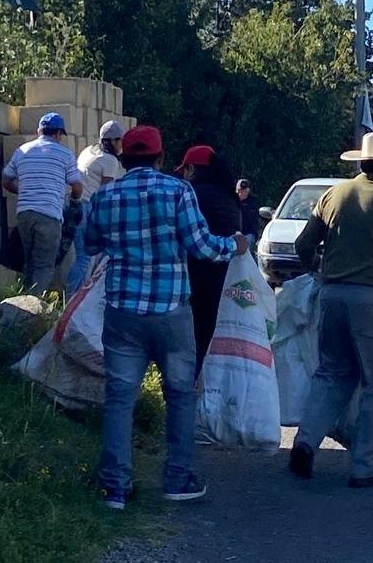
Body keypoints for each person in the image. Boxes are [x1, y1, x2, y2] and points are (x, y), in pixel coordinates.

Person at [84, 126, 248, 509]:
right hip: (172, 312)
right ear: (160, 158)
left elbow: (90, 243)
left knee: (120, 398)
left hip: (123, 312)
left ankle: (115, 488)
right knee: (179, 396)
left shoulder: (107, 194)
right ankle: (178, 479)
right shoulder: (178, 191)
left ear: (123, 159)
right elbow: (201, 246)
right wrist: (235, 245)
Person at [289, 131, 373, 488]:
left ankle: (305, 442)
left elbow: (304, 244)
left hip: (332, 295)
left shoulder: (334, 194)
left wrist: (320, 270)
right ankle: (364, 465)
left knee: (332, 372)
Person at [174, 144, 242, 376]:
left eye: (184, 170)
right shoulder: (230, 198)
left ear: (192, 168)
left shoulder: (192, 195)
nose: (183, 175)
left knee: (188, 344)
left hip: (193, 278)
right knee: (208, 340)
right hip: (223, 279)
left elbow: (193, 241)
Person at [1, 112, 83, 295]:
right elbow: (77, 187)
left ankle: (20, 305)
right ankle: (32, 310)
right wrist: (74, 200)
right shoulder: (65, 154)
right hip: (49, 216)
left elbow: (6, 180)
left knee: (29, 262)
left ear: (40, 131)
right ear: (58, 134)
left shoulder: (22, 150)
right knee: (44, 265)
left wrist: (24, 191)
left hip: (24, 214)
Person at [67, 120, 125, 294]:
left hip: (74, 205)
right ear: (113, 141)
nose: (123, 144)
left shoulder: (89, 150)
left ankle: (71, 298)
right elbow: (105, 194)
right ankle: (71, 300)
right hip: (87, 208)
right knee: (85, 258)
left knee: (82, 257)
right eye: (121, 140)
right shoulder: (109, 160)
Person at [236, 178, 260, 247]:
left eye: (243, 191)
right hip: (234, 233)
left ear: (248, 191)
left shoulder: (252, 202)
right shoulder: (232, 201)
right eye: (239, 191)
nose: (240, 193)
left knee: (247, 243)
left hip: (249, 233)